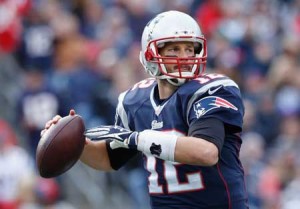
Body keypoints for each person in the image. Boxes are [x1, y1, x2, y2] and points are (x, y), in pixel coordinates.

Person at [42, 10, 249, 209]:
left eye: (189, 49)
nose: (185, 57)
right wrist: (75, 143)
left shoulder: (211, 90)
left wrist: (139, 139)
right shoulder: (135, 101)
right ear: (151, 54)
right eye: (174, 50)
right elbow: (109, 160)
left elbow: (206, 152)